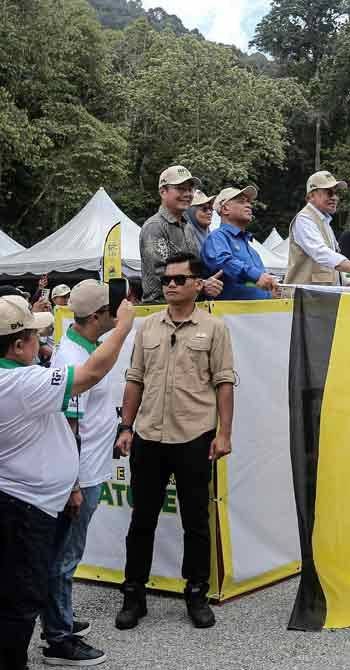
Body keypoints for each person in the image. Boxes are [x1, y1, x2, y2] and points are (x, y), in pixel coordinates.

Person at [0, 294, 134, 670]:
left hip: (24, 499)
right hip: (24, 506)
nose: (42, 343)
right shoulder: (20, 382)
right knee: (20, 599)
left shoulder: (19, 376)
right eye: (34, 337)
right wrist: (124, 327)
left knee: (19, 590)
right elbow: (90, 374)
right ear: (17, 345)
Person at [114, 252, 235, 631]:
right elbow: (134, 379)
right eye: (166, 279)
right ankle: (134, 595)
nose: (170, 285)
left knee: (196, 522)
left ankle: (196, 594)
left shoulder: (215, 329)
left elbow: (224, 382)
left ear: (197, 284)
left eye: (179, 279)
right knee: (142, 520)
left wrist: (224, 432)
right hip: (148, 435)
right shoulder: (147, 327)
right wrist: (126, 427)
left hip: (194, 437)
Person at [40, 280, 120, 667]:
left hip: (88, 469)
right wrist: (72, 484)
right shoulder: (73, 357)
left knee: (64, 553)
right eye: (112, 310)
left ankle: (61, 617)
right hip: (80, 474)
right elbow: (67, 427)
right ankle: (57, 637)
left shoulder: (80, 346)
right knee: (64, 556)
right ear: (98, 317)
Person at [139, 165, 223, 303]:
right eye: (180, 188)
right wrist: (202, 286)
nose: (187, 194)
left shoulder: (187, 226)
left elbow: (193, 270)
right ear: (163, 192)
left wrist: (205, 283)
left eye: (190, 189)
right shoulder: (154, 227)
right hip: (161, 309)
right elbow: (161, 276)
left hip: (187, 308)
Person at [285, 170, 350, 286]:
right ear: (311, 196)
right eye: (329, 192)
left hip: (319, 297)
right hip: (303, 298)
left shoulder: (324, 221)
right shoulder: (304, 219)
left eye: (336, 193)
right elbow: (321, 253)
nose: (335, 197)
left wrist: (349, 282)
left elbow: (333, 263)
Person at [201, 186, 278, 300]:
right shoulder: (217, 237)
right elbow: (223, 261)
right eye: (241, 201)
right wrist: (256, 276)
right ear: (225, 209)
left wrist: (270, 294)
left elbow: (255, 284)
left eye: (248, 202)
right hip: (229, 316)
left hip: (255, 314)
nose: (249, 205)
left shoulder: (253, 251)